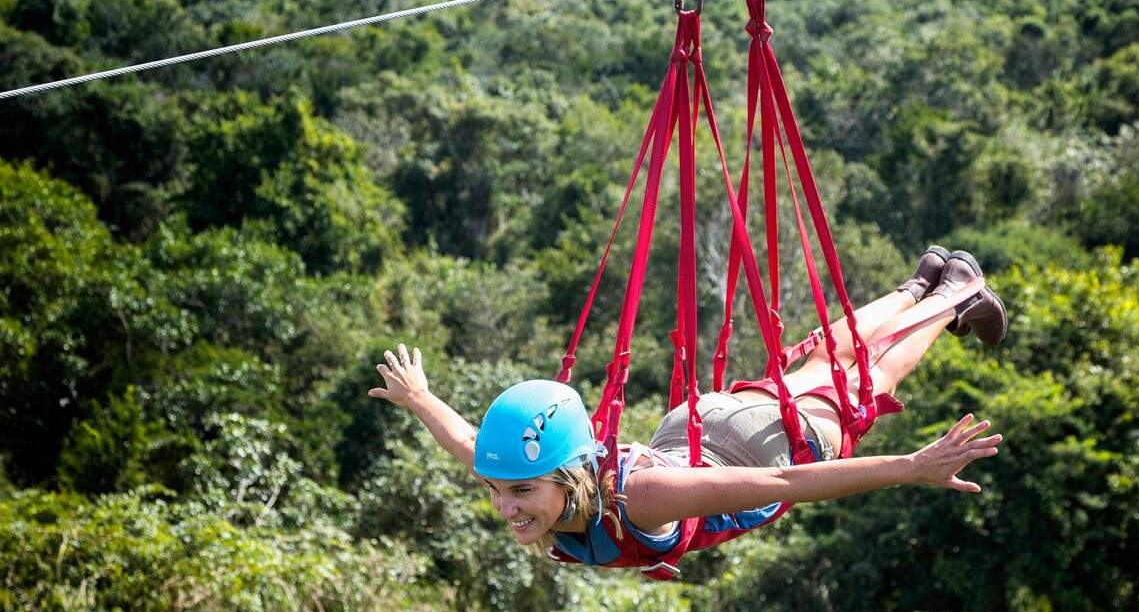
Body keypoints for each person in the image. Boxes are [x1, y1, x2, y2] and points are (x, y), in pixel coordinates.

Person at [369, 247, 1007, 577]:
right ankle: (921, 285)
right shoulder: (552, 481)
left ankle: (955, 296)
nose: (506, 507)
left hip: (766, 445)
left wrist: (912, 466)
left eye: (520, 493)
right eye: (500, 491)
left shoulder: (640, 498)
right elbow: (471, 444)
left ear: (566, 477)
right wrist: (421, 399)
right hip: (696, 423)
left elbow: (786, 484)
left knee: (863, 381)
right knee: (814, 371)